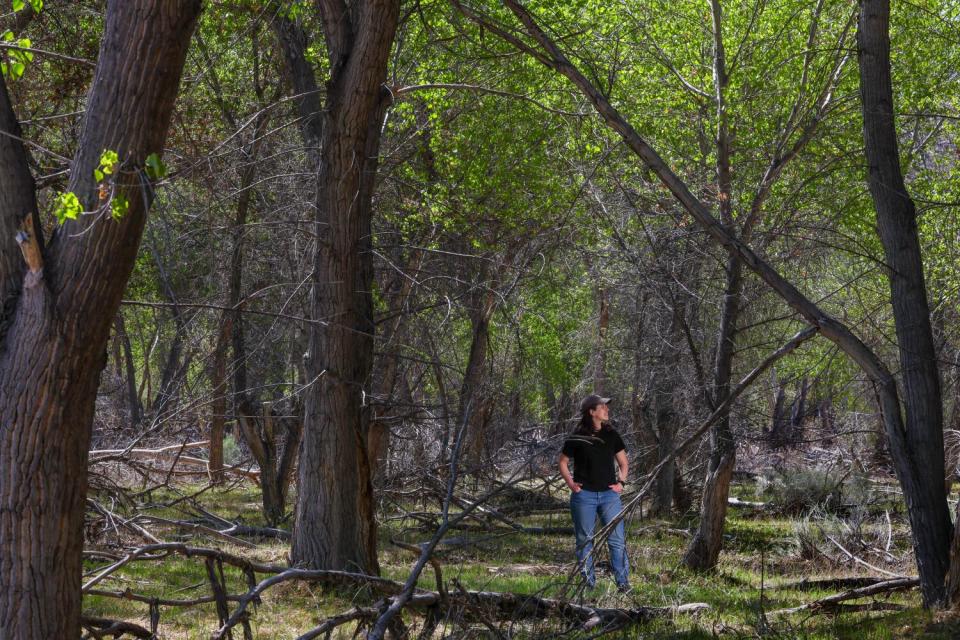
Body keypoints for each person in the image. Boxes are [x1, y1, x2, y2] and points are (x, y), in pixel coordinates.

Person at [558, 394, 630, 592]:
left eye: (606, 407)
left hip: (609, 496)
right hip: (584, 497)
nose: (607, 410)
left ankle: (623, 584)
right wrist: (572, 485)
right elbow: (562, 462)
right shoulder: (578, 436)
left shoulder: (611, 435)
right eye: (603, 407)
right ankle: (588, 584)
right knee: (584, 541)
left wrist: (621, 482)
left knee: (616, 540)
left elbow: (624, 463)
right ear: (591, 412)